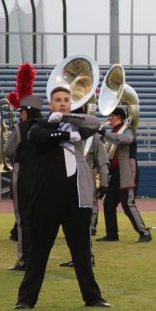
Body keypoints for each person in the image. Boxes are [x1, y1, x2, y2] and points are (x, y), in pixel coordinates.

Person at [14, 86, 109, 309]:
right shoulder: (40, 124)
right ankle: (26, 300)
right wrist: (67, 134)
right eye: (58, 100)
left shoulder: (77, 122)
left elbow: (94, 124)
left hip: (76, 197)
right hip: (47, 197)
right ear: (50, 104)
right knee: (40, 249)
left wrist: (66, 118)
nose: (63, 103)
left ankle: (93, 297)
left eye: (66, 100)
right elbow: (38, 136)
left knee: (81, 250)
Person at [59, 102, 109, 268]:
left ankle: (88, 257)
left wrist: (104, 183)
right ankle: (77, 256)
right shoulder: (65, 133)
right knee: (71, 222)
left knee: (84, 220)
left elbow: (102, 162)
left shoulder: (94, 137)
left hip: (86, 178)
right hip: (68, 178)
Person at [96, 107, 152, 243]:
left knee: (128, 203)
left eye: (111, 116)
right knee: (109, 203)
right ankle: (112, 234)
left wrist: (104, 133)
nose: (108, 118)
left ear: (119, 117)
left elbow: (126, 140)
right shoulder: (113, 131)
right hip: (116, 171)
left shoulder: (127, 129)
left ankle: (144, 232)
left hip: (127, 170)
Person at [4, 94, 43, 271]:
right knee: (39, 218)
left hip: (24, 173)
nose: (21, 115)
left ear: (27, 111)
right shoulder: (46, 126)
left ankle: (24, 259)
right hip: (43, 174)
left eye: (22, 112)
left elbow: (8, 150)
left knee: (22, 219)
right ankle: (38, 258)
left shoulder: (20, 127)